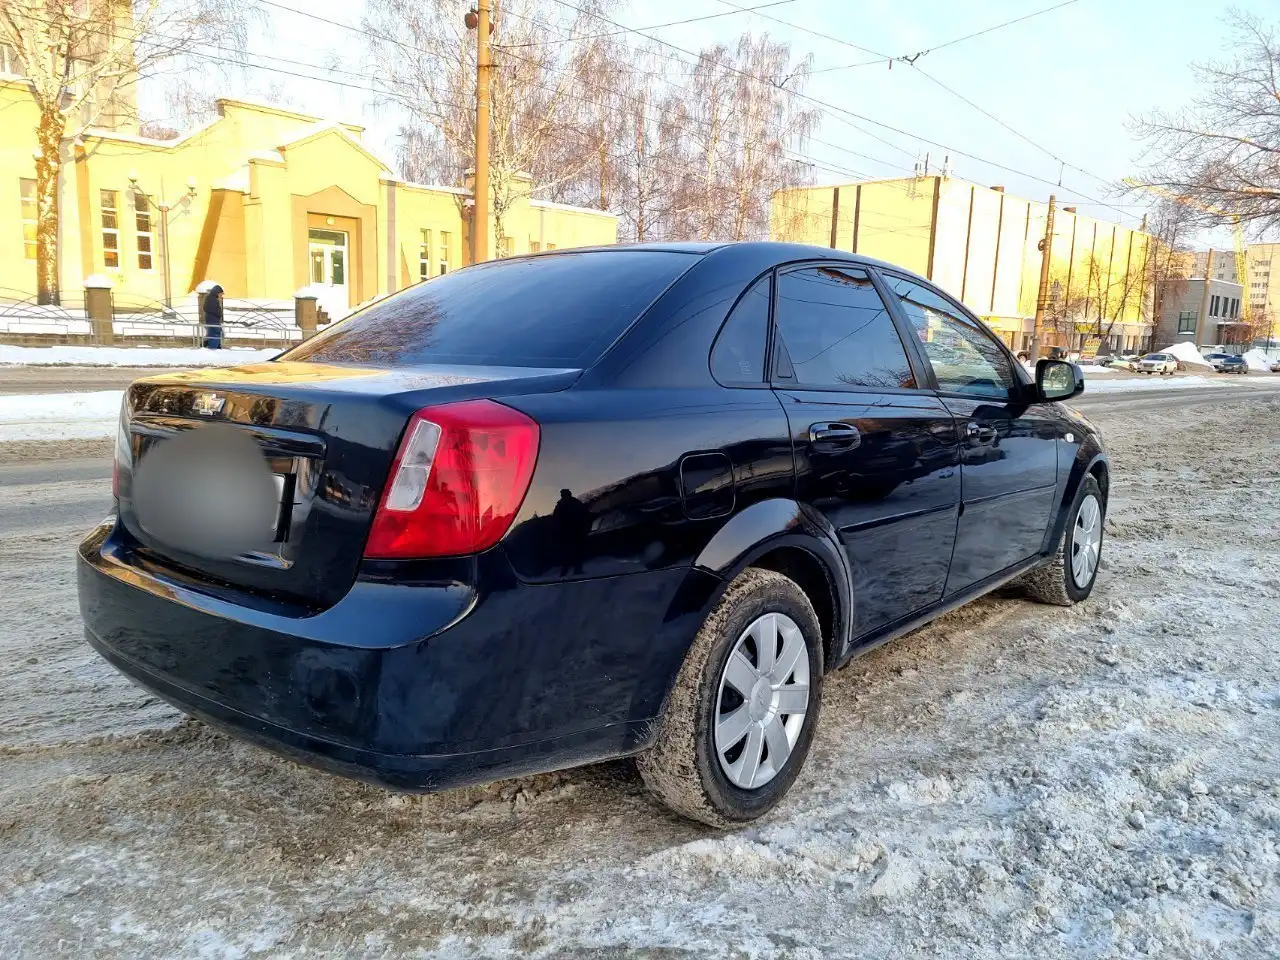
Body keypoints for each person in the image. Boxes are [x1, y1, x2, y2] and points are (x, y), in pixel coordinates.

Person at [203, 284, 224, 349]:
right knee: (218, 334)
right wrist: (219, 313)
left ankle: (210, 346)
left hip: (210, 320)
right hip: (213, 321)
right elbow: (217, 311)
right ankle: (213, 348)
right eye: (220, 294)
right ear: (217, 292)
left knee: (212, 334)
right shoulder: (213, 299)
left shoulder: (209, 297)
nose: (221, 296)